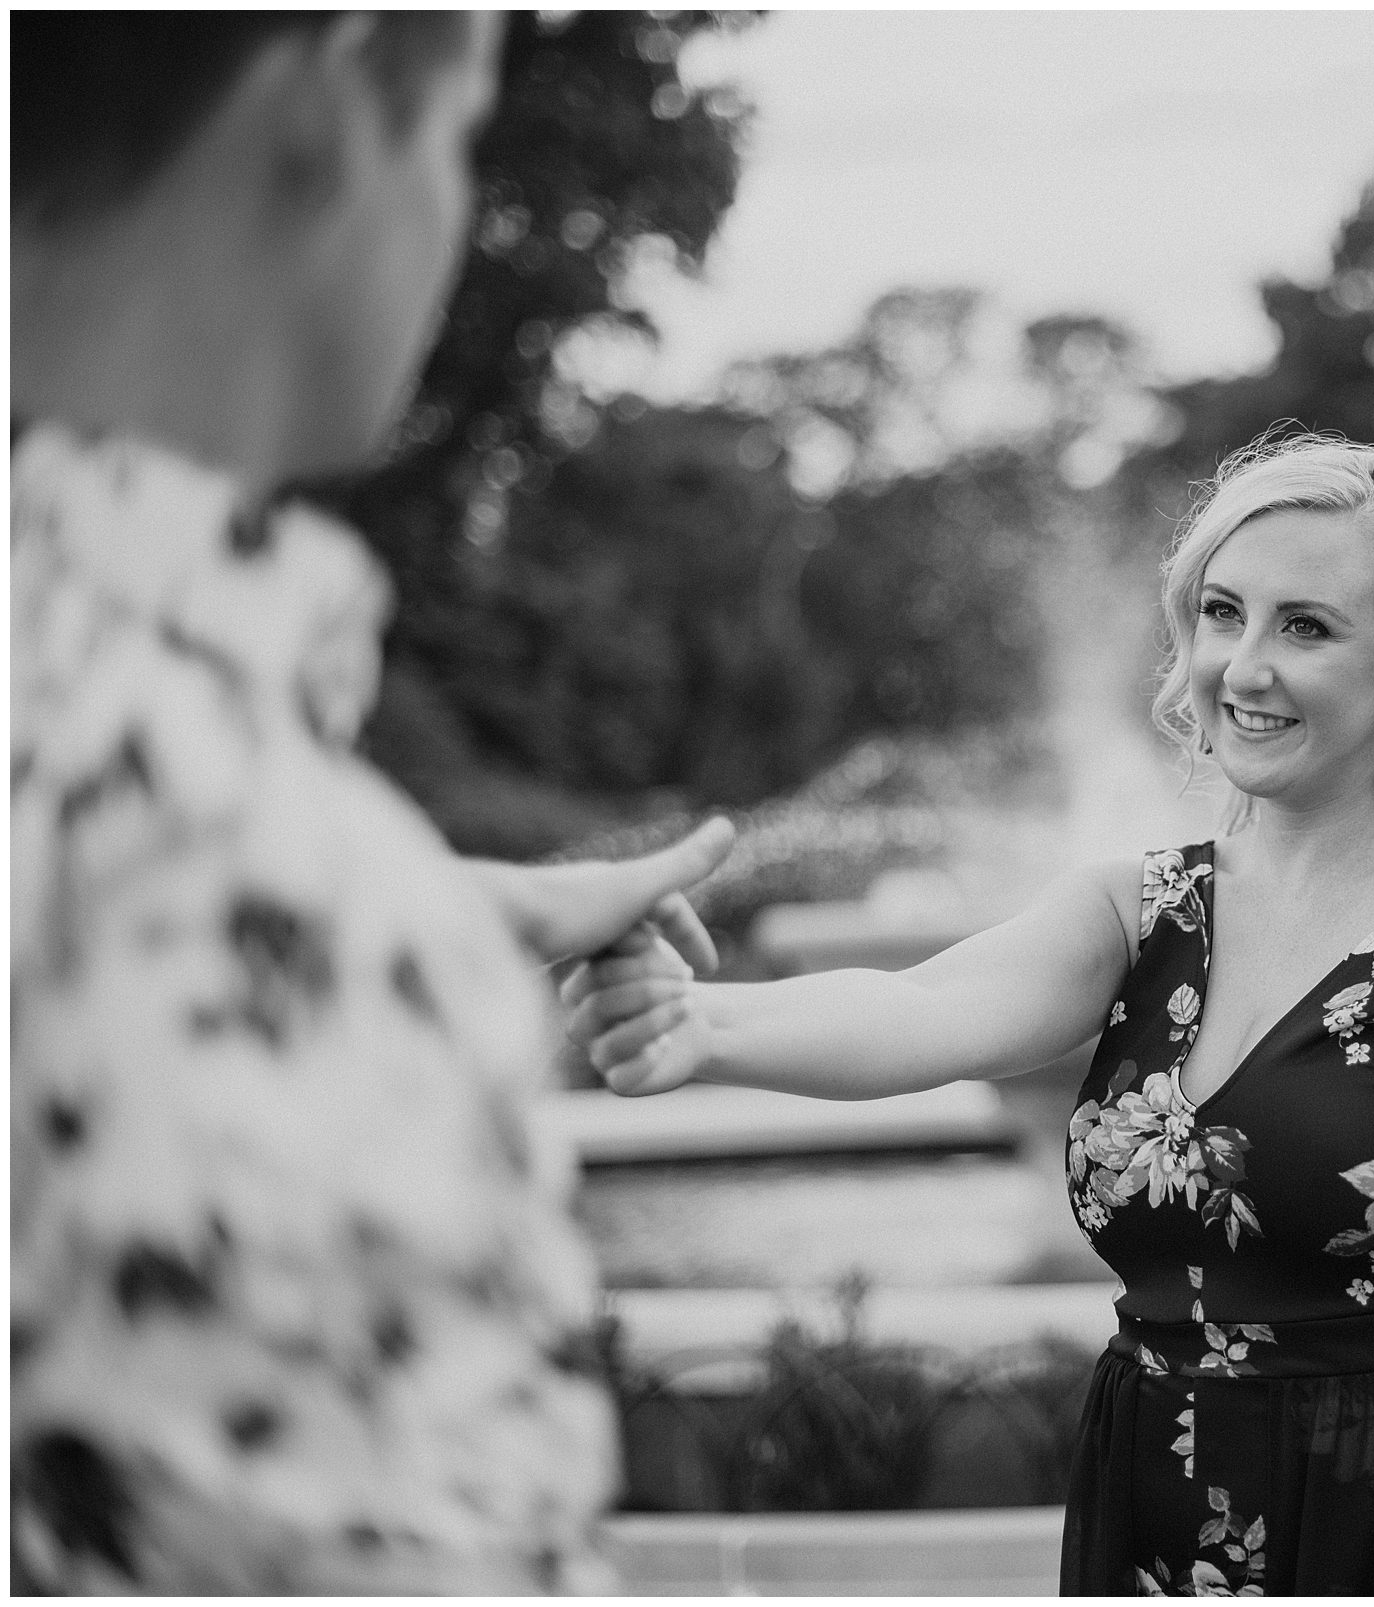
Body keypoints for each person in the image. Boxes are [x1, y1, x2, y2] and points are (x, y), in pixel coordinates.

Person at [568, 435, 1374, 1594]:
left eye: (1307, 627)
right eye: (1223, 613)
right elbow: (919, 1006)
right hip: (1147, 1512)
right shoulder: (1143, 907)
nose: (1244, 667)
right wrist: (697, 1024)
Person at [12, 14, 734, 1591]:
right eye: (461, 133)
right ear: (332, 104)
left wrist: (480, 902)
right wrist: (397, 929)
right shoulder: (254, 878)